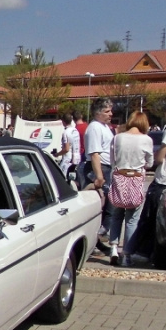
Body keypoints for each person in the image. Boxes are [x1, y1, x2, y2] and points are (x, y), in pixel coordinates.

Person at [124, 99, 166, 264]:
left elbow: (161, 157)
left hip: (163, 180)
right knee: (161, 223)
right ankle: (154, 254)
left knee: (147, 220)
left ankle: (139, 253)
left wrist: (150, 159)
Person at [107, 111, 154, 266]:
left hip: (119, 178)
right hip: (135, 180)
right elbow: (150, 163)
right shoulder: (146, 140)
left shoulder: (118, 138)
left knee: (116, 215)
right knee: (132, 219)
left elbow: (112, 160)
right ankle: (126, 254)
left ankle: (113, 248)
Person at [83, 98, 115, 247]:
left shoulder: (105, 127)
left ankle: (99, 238)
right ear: (97, 113)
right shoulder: (95, 127)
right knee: (102, 207)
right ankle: (96, 239)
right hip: (99, 168)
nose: (111, 114)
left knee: (110, 207)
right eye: (107, 111)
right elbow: (95, 153)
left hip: (107, 167)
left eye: (110, 111)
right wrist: (99, 176)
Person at [59, 112, 82, 185]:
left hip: (67, 160)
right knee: (73, 181)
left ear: (63, 121)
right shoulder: (75, 131)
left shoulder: (66, 132)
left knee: (63, 180)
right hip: (77, 159)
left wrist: (57, 154)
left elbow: (66, 149)